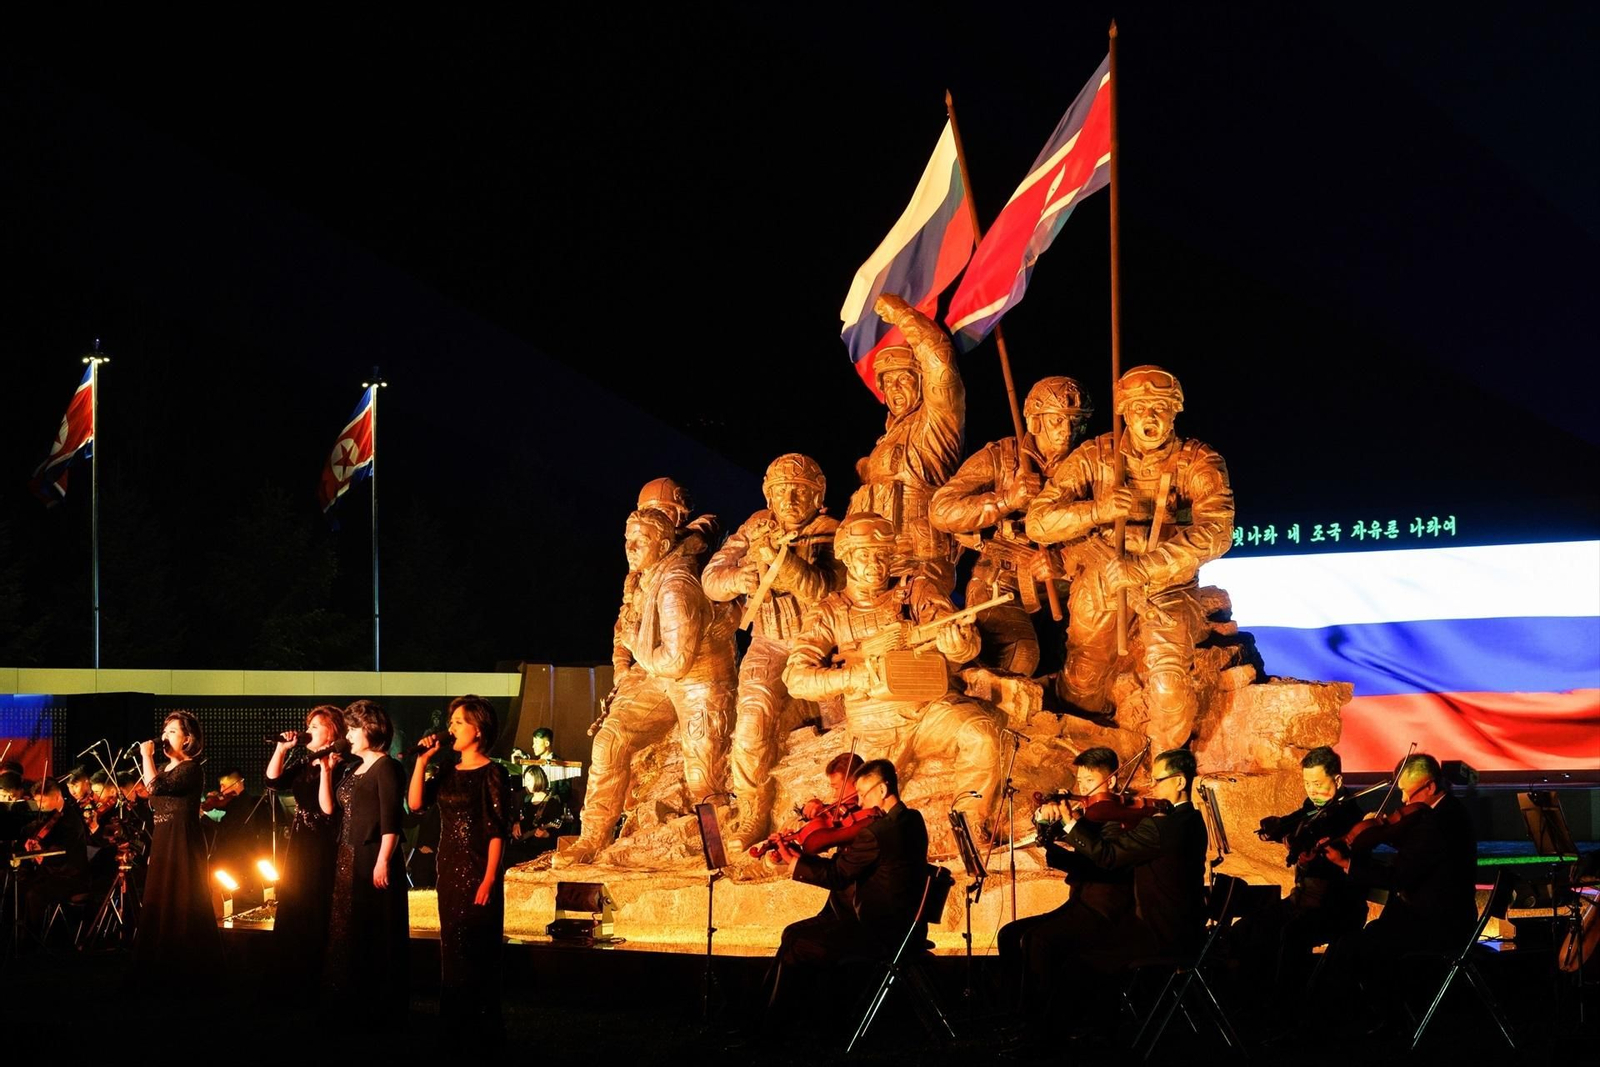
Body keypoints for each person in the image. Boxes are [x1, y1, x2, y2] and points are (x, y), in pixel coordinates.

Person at [1026, 366, 1234, 752]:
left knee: (1168, 681)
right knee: (1083, 680)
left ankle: (1166, 770)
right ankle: (1089, 765)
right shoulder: (1095, 456)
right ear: (1124, 411)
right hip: (1102, 573)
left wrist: (1144, 567)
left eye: (1159, 407)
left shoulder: (1199, 460)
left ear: (1175, 410)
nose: (1149, 417)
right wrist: (1097, 510)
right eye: (1138, 408)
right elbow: (1038, 522)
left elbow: (1217, 531)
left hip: (1168, 583)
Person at [783, 513, 1003, 827]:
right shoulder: (829, 612)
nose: (875, 564)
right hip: (873, 726)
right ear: (846, 557)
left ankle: (969, 825)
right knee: (861, 813)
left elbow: (965, 645)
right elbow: (796, 679)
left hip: (929, 711)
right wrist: (854, 677)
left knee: (980, 734)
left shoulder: (917, 590)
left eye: (882, 555)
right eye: (864, 555)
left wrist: (958, 645)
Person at [565, 507, 738, 865]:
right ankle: (592, 838)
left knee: (704, 780)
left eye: (640, 541)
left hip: (699, 677)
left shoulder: (676, 586)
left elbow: (676, 662)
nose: (630, 548)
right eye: (627, 540)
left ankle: (718, 857)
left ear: (662, 545)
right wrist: (624, 667)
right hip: (659, 676)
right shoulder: (644, 579)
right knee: (609, 740)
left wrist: (634, 643)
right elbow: (627, 632)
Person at [703, 452, 844, 849]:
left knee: (840, 726)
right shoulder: (755, 528)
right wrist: (738, 577)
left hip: (823, 643)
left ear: (818, 496)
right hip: (768, 640)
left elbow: (826, 587)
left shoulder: (831, 531)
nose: (790, 499)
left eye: (800, 491)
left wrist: (781, 565)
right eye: (781, 491)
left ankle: (841, 812)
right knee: (751, 720)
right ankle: (753, 809)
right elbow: (711, 579)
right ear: (768, 495)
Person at [930, 376, 1093, 675]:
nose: (1067, 430)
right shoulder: (1002, 457)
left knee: (1087, 665)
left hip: (1066, 583)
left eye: (1076, 421)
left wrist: (1065, 561)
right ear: (1035, 421)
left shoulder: (1090, 462)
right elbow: (941, 510)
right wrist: (1006, 500)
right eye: (1057, 420)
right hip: (1002, 581)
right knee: (1020, 657)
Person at [1318, 753, 1477, 1029]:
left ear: (1430, 786)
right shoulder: (1444, 812)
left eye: (1406, 792)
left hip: (1437, 923)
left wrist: (1347, 863)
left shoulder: (1439, 822)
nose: (1402, 800)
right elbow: (1416, 855)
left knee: (1353, 948)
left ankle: (1384, 1020)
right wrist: (1380, 835)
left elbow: (1398, 876)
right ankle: (1370, 1016)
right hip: (1429, 915)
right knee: (1353, 943)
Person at [764, 759, 929, 1014]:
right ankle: (776, 1016)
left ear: (882, 790)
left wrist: (793, 861)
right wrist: (800, 856)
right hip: (905, 927)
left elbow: (837, 876)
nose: (859, 803)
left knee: (797, 943)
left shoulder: (876, 832)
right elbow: (847, 866)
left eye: (862, 794)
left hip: (880, 932)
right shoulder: (912, 819)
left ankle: (779, 1022)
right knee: (792, 933)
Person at [996, 747, 1134, 1019]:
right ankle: (1017, 1015)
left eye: (1090, 781)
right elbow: (1068, 849)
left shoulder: (1120, 817)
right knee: (1009, 934)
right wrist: (1044, 820)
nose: (1083, 789)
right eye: (1080, 782)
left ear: (1112, 781)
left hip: (1104, 910)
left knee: (1037, 940)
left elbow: (1101, 862)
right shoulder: (1087, 815)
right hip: (1079, 903)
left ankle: (1044, 1024)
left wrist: (1070, 826)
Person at [1228, 745, 1366, 1005]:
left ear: (1338, 780)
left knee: (1290, 933)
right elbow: (1291, 824)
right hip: (1301, 902)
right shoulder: (1311, 808)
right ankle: (1249, 1002)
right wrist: (1275, 830)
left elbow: (1345, 870)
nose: (1311, 790)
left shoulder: (1351, 817)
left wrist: (1312, 857)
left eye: (1317, 783)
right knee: (1245, 928)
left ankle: (1288, 1006)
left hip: (1336, 906)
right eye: (1307, 783)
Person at [409, 694, 513, 1043]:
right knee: (452, 945)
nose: (450, 728)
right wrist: (422, 761)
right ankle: (454, 1025)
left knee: (477, 948)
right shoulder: (446, 771)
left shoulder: (494, 772)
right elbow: (416, 804)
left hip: (479, 868)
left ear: (478, 729)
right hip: (449, 867)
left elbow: (496, 830)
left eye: (458, 722)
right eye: (450, 722)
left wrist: (489, 878)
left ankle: (482, 1028)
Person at [847, 294, 966, 593]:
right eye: (888, 383)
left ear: (921, 382)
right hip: (873, 567)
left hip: (920, 564)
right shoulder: (885, 441)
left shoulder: (937, 423)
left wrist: (903, 315)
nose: (895, 388)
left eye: (904, 379)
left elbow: (940, 361)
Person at [1053, 748, 1210, 965]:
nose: (1152, 787)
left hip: (1160, 934)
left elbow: (1107, 855)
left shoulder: (1161, 827)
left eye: (1158, 780)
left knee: (1078, 954)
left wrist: (1069, 821)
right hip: (1186, 929)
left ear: (1180, 782)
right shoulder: (1194, 819)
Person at [322, 699, 408, 1014]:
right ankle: (347, 997)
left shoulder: (387, 767)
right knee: (347, 925)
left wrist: (383, 860)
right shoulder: (352, 767)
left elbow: (391, 820)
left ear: (369, 729)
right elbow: (329, 808)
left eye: (352, 729)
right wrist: (326, 771)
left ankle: (377, 1003)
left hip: (373, 854)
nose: (348, 735)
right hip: (348, 853)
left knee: (374, 926)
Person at [132, 710, 223, 980]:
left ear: (187, 739)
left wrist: (146, 756)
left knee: (183, 897)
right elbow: (154, 795)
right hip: (163, 838)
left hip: (183, 839)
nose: (164, 736)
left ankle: (187, 968)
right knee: (160, 897)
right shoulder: (162, 769)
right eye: (164, 730)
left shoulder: (191, 768)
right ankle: (157, 964)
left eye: (172, 731)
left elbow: (155, 788)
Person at [265, 704, 349, 978]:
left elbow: (329, 810)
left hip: (324, 841)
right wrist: (281, 749)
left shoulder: (342, 765)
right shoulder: (304, 763)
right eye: (308, 726)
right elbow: (273, 782)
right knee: (295, 895)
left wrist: (326, 770)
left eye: (315, 726)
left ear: (332, 732)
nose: (308, 730)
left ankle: (318, 966)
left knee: (317, 897)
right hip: (300, 839)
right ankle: (291, 966)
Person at [19, 778, 91, 933]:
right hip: (48, 872)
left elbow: (63, 854)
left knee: (34, 894)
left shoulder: (72, 821)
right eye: (37, 802)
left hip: (69, 876)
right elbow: (34, 831)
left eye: (43, 801)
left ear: (57, 797)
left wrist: (42, 853)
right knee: (16, 884)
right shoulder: (48, 815)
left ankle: (33, 937)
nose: (39, 806)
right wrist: (31, 841)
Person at [509, 765, 565, 862]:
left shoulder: (552, 802)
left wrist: (547, 835)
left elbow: (560, 831)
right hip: (523, 847)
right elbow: (517, 816)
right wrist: (516, 823)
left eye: (529, 780)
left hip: (540, 851)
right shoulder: (526, 799)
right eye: (525, 780)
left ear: (538, 779)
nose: (526, 783)